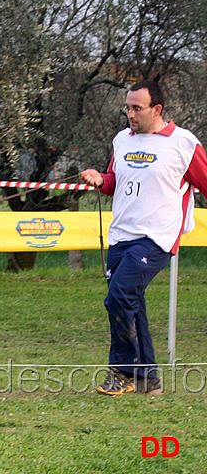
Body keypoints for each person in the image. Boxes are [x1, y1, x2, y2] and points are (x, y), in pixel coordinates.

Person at [79, 80, 207, 396]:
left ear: (157, 109)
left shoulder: (183, 144)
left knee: (119, 297)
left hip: (157, 238)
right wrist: (100, 179)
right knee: (132, 303)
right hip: (121, 236)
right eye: (127, 107)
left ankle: (122, 372)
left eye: (137, 108)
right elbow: (114, 182)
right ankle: (148, 381)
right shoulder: (122, 140)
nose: (130, 114)